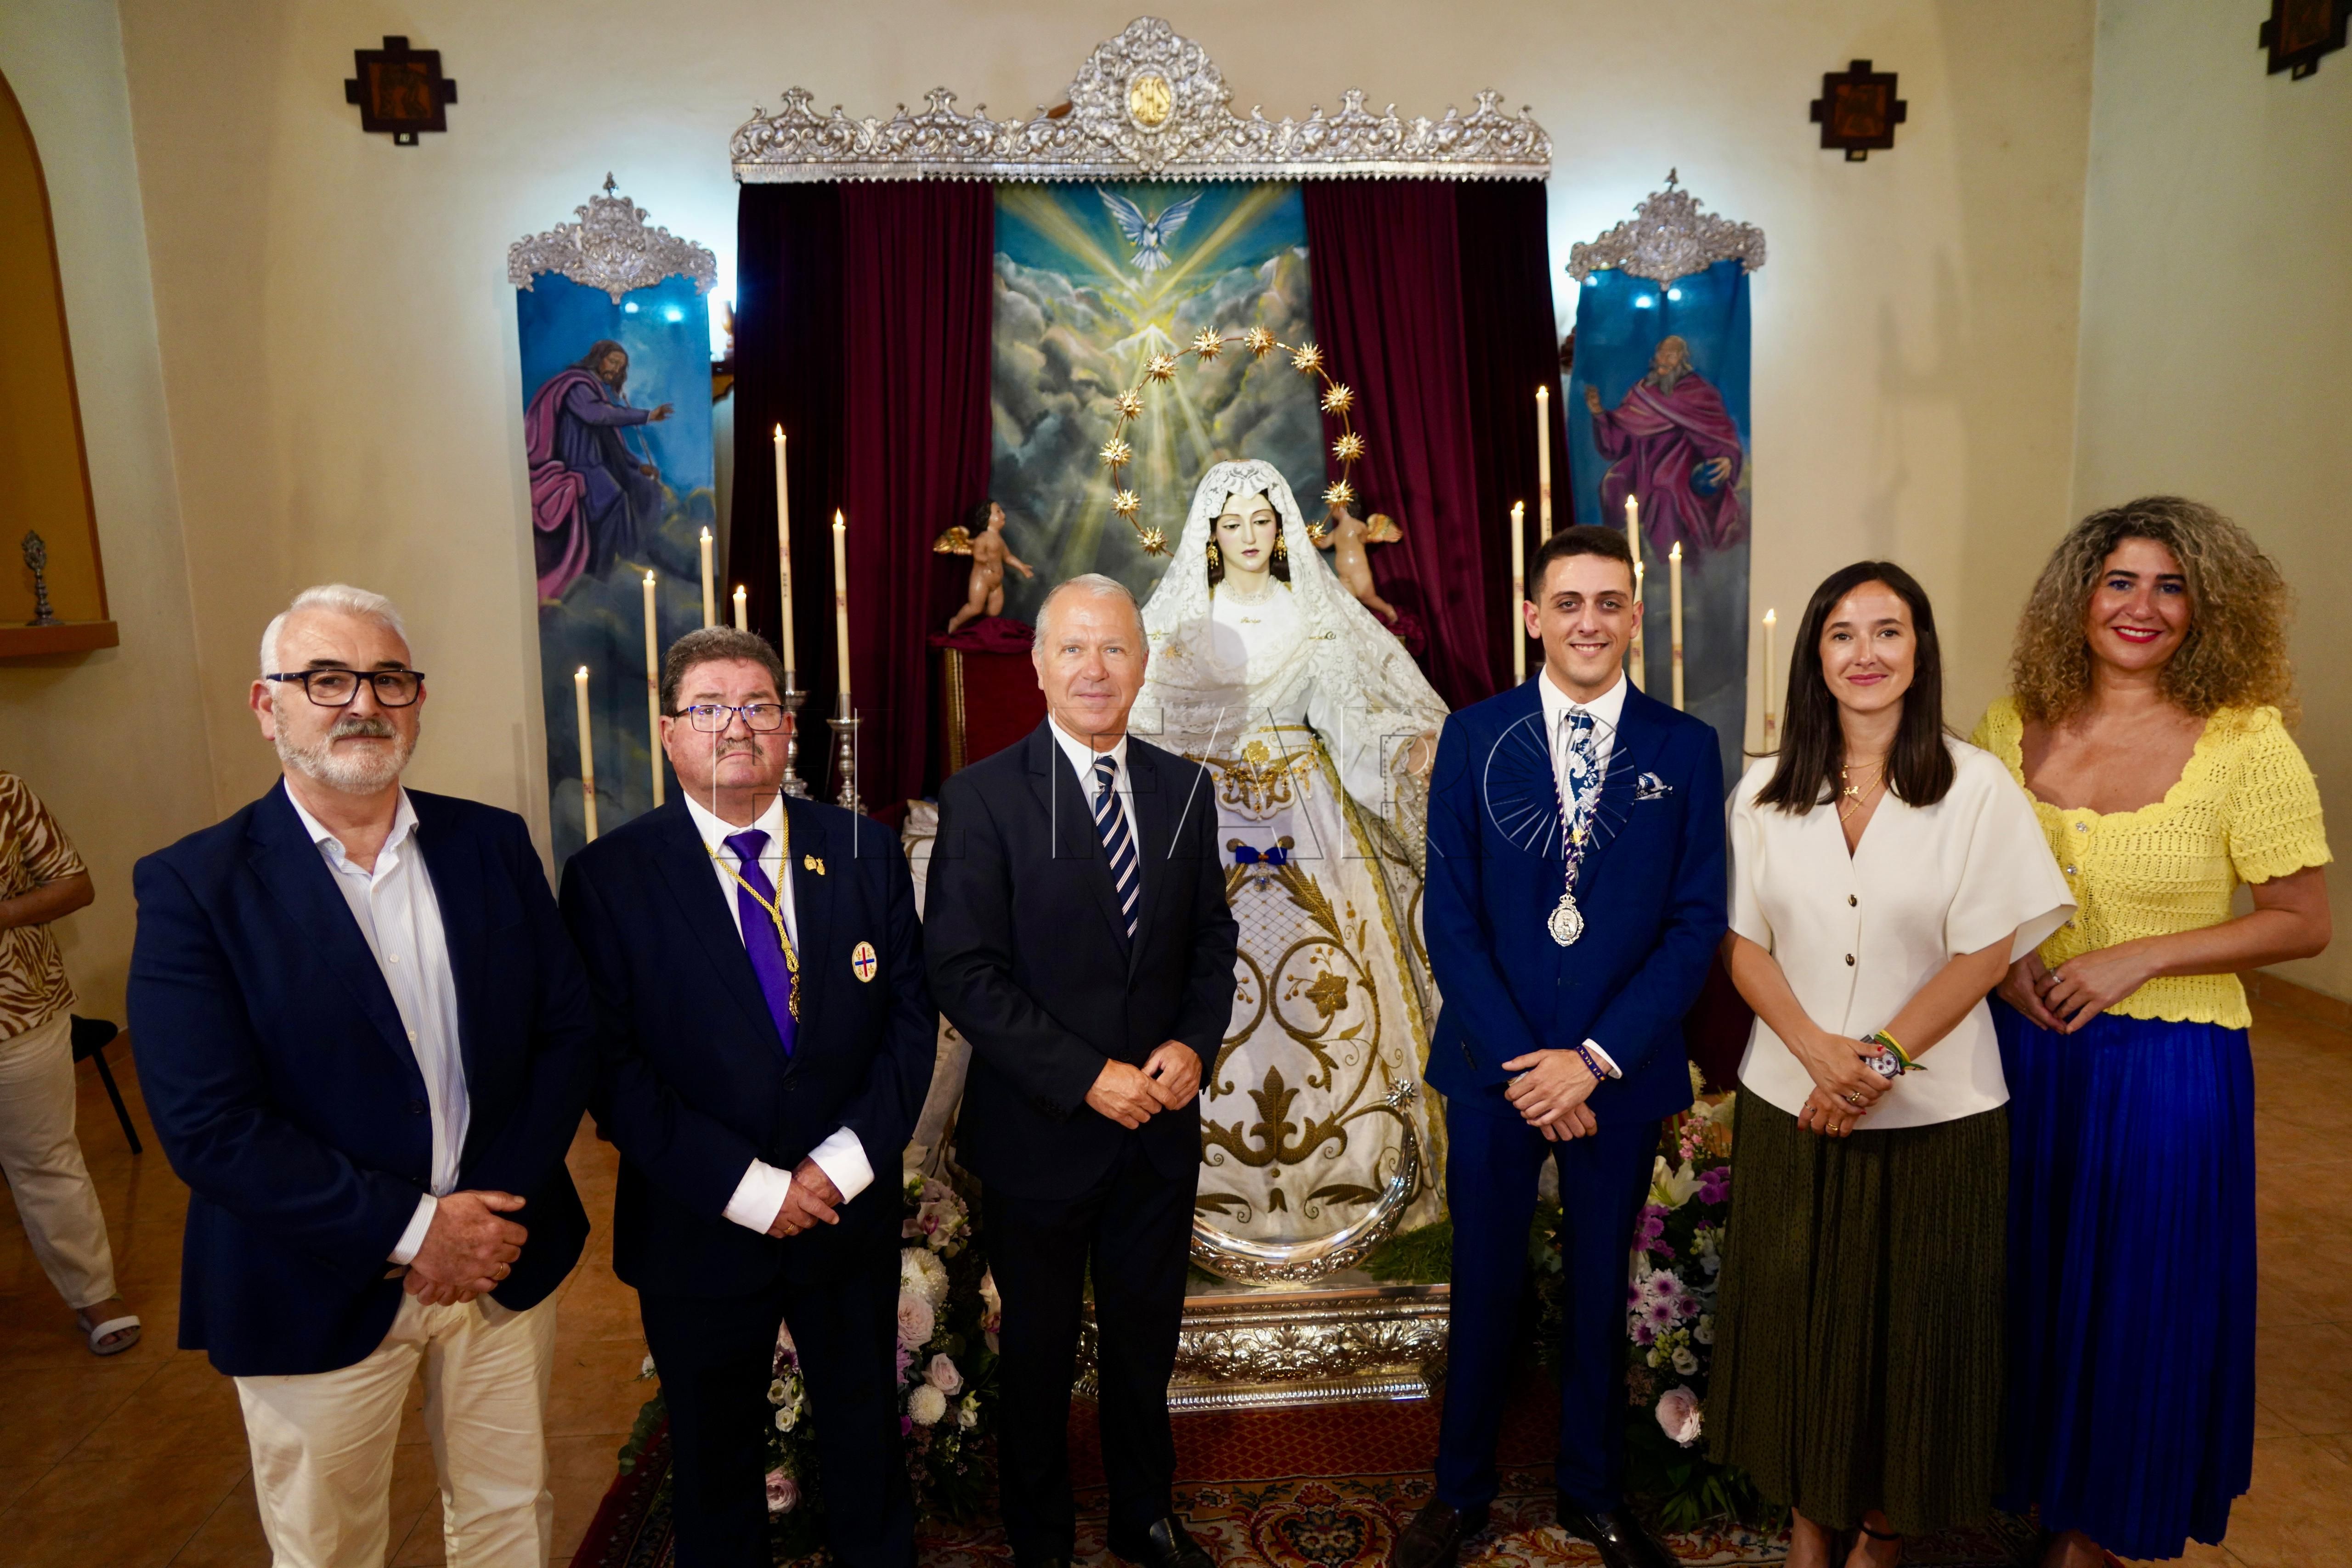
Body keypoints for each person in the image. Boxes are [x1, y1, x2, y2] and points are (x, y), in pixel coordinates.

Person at [129, 584, 595, 1568]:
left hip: (500, 1258)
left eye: (388, 679)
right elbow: (210, 1126)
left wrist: (482, 1220)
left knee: (510, 1517)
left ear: (417, 702)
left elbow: (566, 1032)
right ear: (267, 706)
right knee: (330, 1549)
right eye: (326, 679)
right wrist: (420, 1230)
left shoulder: (490, 843)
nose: (363, 703)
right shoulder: (195, 886)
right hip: (311, 1277)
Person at [1973, 497, 2332, 1568]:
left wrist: (2138, 955)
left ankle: (2094, 1532)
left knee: (2137, 1297)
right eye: (2119, 581)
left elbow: (2302, 921)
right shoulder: (2008, 724)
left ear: (2206, 605)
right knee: (2028, 1282)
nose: (2143, 606)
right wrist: (2005, 964)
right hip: (2025, 1052)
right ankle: (2029, 1490)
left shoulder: (2246, 741)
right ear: (2077, 598)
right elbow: (1967, 887)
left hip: (2167, 1066)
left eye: (2171, 585)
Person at [1705, 563, 2073, 1568]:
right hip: (1793, 1100)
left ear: (1920, 650)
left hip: (1937, 1114)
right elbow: (1741, 943)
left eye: (1888, 630)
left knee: (1911, 1340)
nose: (1864, 652)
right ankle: (1806, 1529)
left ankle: (1880, 1536)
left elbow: (1986, 951)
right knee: (1796, 1325)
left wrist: (1880, 1058)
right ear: (1815, 656)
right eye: (1842, 633)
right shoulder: (1762, 791)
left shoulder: (1976, 786)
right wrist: (1815, 1052)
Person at [560, 626, 935, 1568]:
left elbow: (909, 1024)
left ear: (788, 727)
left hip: (843, 1214)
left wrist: (837, 1168)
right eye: (710, 707)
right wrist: (756, 1190)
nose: (738, 726)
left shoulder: (864, 850)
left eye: (759, 705)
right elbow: (613, 1071)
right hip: (699, 1221)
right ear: (670, 733)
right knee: (713, 1464)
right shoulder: (609, 878)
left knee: (866, 1443)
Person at [1398, 525, 1725, 1568]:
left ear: (1636, 616)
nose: (1590, 621)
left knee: (1599, 1284)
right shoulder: (1473, 733)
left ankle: (1593, 1487)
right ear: (1533, 614)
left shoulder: (1683, 748)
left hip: (1615, 1072)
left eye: (1609, 601)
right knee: (1483, 1280)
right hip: (1494, 1069)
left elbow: (1694, 924)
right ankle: (1459, 1491)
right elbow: (1450, 916)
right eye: (1569, 601)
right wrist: (1526, 1064)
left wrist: (1591, 1059)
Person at [926, 575, 1238, 1568]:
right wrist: (1086, 1074)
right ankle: (1041, 1534)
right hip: (1040, 1130)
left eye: (1114, 649)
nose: (1094, 669)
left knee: (1145, 1342)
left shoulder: (1186, 790)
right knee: (1037, 1351)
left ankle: (1145, 1512)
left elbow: (1211, 943)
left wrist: (1194, 1042)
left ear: (1142, 666)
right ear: (1038, 666)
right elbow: (964, 971)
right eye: (1073, 648)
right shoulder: (982, 797)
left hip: (1159, 1130)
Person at [1131, 460, 1448, 1246]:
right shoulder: (1179, 622)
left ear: (1281, 530)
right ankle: (1201, 1191)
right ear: (1211, 534)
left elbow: (1349, 721)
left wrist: (1404, 747)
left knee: (1331, 983)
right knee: (1213, 981)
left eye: (1261, 521)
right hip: (1204, 820)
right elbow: (1145, 724)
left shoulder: (1312, 613)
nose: (1248, 536)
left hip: (1308, 823)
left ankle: (1357, 1178)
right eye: (1232, 523)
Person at [0, 771, 139, 1356]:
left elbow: (74, 886)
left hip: (20, 1014)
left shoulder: (6, 792)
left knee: (46, 1161)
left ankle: (93, 1297)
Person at [525, 340, 674, 602]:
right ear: (598, 358)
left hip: (597, 464)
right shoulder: (577, 386)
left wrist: (636, 466)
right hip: (579, 465)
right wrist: (647, 416)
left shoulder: (593, 388)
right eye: (613, 362)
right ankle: (605, 572)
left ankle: (640, 556)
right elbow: (599, 416)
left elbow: (609, 442)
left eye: (621, 367)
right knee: (614, 499)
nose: (616, 370)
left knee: (645, 489)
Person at [1583, 334, 1747, 554]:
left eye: (1671, 356)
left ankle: (1671, 563)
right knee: (1612, 483)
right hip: (1640, 462)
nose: (1664, 361)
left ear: (1683, 360)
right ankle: (1621, 552)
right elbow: (1618, 439)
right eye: (1661, 354)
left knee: (1664, 492)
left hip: (1681, 461)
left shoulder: (1700, 393)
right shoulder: (1642, 391)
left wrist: (1727, 458)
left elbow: (1719, 432)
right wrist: (1599, 414)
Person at [944, 500, 1037, 635]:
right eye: (998, 512)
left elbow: (1008, 557)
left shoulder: (999, 540)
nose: (1003, 515)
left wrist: (1022, 567)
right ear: (987, 518)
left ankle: (978, 626)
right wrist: (986, 559)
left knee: (994, 611)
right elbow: (978, 556)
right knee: (975, 608)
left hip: (997, 583)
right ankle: (956, 621)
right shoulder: (983, 538)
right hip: (982, 579)